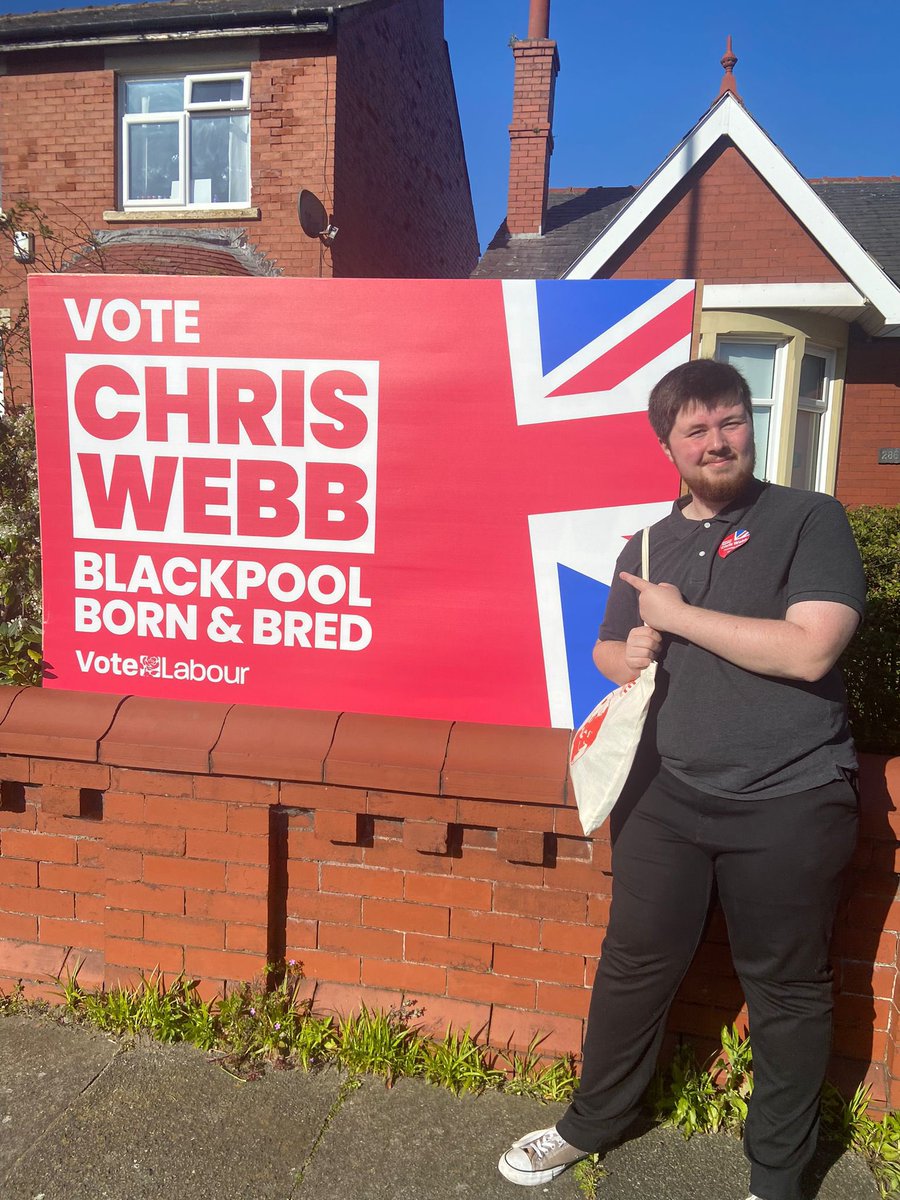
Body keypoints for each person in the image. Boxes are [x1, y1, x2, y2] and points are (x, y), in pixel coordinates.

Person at [498, 359, 866, 1200]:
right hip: (665, 796)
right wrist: (625, 650)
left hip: (790, 798)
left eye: (731, 421)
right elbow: (609, 647)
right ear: (667, 445)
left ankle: (775, 1175)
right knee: (634, 965)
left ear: (752, 424)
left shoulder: (809, 519)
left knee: (787, 988)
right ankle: (592, 1122)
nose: (717, 442)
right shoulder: (650, 542)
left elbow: (812, 648)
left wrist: (677, 618)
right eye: (695, 430)